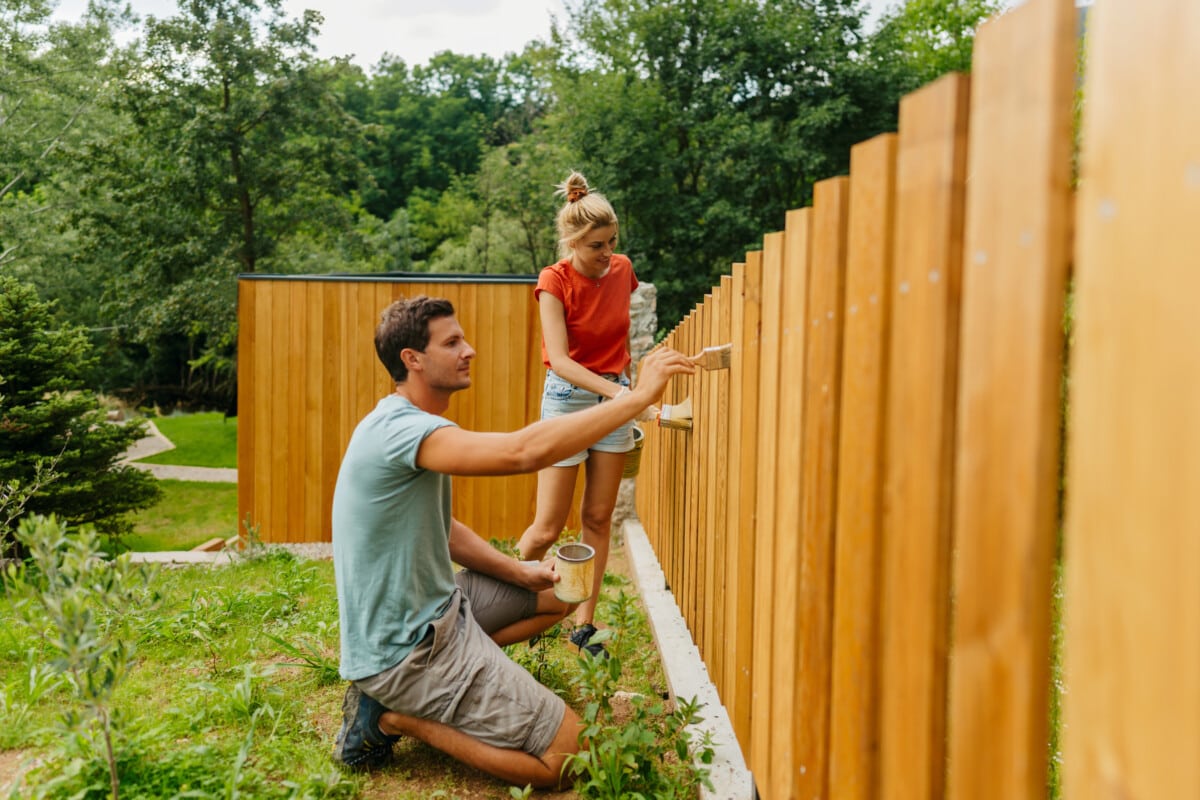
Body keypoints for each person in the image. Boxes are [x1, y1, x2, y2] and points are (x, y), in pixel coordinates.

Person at [330, 295, 693, 788]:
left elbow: (444, 526)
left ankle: (463, 679)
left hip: (443, 612)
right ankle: (390, 717)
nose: (470, 350)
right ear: (412, 360)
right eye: (452, 342)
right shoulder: (399, 432)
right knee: (572, 755)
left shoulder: (405, 424)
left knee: (561, 592)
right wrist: (634, 398)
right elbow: (521, 452)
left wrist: (516, 570)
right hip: (408, 652)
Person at [516, 171, 647, 658]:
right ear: (572, 241)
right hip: (568, 401)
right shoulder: (554, 280)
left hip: (615, 396)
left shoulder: (622, 270)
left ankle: (584, 628)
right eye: (596, 245)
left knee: (597, 516)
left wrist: (625, 386)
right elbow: (563, 360)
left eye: (612, 241)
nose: (607, 253)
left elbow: (619, 337)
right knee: (548, 527)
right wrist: (620, 398)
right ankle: (503, 600)